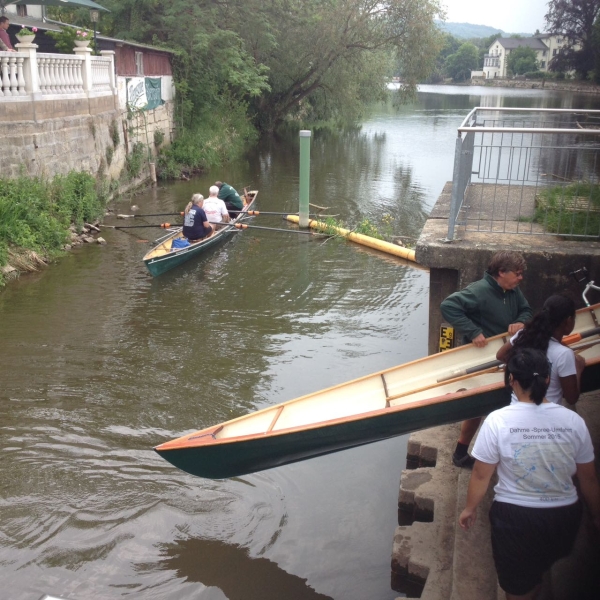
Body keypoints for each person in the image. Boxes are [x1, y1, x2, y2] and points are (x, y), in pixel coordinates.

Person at [459, 348, 600, 600]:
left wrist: (470, 508)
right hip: (564, 517)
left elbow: (481, 475)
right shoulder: (573, 421)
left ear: (511, 380)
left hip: (515, 520)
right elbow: (588, 478)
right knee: (542, 563)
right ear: (547, 379)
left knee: (518, 588)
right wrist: (597, 515)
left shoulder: (497, 421)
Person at [440, 250, 533, 468]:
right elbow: (448, 306)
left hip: (507, 356)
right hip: (482, 358)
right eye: (517, 274)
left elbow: (527, 310)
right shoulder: (479, 291)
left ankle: (497, 452)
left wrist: (520, 321)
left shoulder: (513, 291)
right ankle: (461, 453)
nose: (520, 278)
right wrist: (473, 331)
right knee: (478, 407)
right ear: (501, 272)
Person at [496, 294, 585, 407]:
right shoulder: (564, 354)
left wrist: (519, 366)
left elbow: (500, 355)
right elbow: (571, 398)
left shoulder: (523, 335)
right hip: (549, 415)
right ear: (568, 320)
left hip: (517, 407)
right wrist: (578, 368)